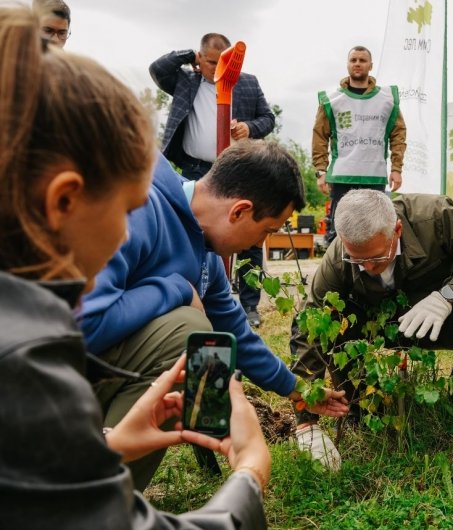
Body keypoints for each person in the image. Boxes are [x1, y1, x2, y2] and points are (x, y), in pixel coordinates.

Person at [0, 7, 269, 527]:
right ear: (63, 202)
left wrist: (107, 445)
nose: (129, 235)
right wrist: (250, 478)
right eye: (125, 212)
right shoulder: (23, 356)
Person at [79, 140, 348, 490]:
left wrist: (296, 389)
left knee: (208, 342)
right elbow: (82, 325)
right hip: (44, 376)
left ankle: (109, 482)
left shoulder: (206, 256)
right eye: (267, 230)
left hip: (93, 376)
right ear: (239, 211)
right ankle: (91, 497)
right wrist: (176, 289)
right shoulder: (138, 207)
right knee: (190, 334)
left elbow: (236, 333)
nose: (259, 245)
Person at [291, 189, 453, 470]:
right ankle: (358, 405)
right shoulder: (338, 257)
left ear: (396, 229)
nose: (369, 268)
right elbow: (309, 328)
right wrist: (306, 424)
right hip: (378, 327)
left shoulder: (436, 217)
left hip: (437, 320)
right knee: (332, 317)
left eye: (376, 257)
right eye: (357, 260)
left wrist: (447, 295)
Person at [150, 32, 274, 327]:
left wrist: (248, 127)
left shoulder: (247, 82)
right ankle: (200, 299)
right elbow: (157, 69)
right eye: (209, 62)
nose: (216, 69)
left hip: (237, 170)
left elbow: (268, 118)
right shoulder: (185, 80)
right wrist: (186, 56)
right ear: (199, 59)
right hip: (195, 169)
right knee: (195, 235)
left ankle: (249, 305)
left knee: (248, 234)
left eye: (222, 63)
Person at [312, 45, 407, 244]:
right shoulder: (332, 100)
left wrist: (397, 168)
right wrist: (320, 170)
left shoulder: (387, 99)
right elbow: (320, 135)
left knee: (374, 229)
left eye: (362, 60)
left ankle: (369, 270)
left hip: (374, 177)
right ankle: (338, 271)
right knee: (340, 230)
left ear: (370, 65)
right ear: (347, 65)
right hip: (342, 177)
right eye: (353, 60)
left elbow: (398, 133)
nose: (357, 64)